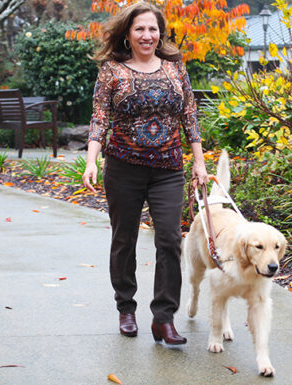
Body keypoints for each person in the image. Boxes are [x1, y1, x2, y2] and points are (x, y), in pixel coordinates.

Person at [82, 1, 208, 345]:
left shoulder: (174, 67)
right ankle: (126, 307)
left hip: (168, 168)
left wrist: (199, 162)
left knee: (169, 240)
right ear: (127, 33)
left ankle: (163, 318)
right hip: (124, 169)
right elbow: (99, 117)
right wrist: (92, 160)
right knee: (125, 241)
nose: (147, 35)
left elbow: (190, 115)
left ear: (160, 32)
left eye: (152, 29)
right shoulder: (112, 70)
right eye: (140, 29)